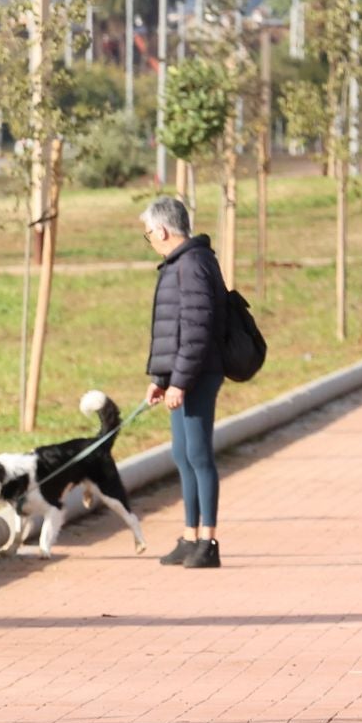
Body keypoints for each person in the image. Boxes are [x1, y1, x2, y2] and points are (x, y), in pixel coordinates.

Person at [141, 194, 229, 569]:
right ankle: (189, 535)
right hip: (182, 375)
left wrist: (181, 381)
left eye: (148, 234)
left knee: (198, 455)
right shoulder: (179, 264)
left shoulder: (192, 264)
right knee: (182, 454)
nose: (150, 240)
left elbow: (196, 330)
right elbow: (172, 331)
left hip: (198, 374)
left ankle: (208, 540)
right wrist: (162, 379)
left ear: (161, 230)